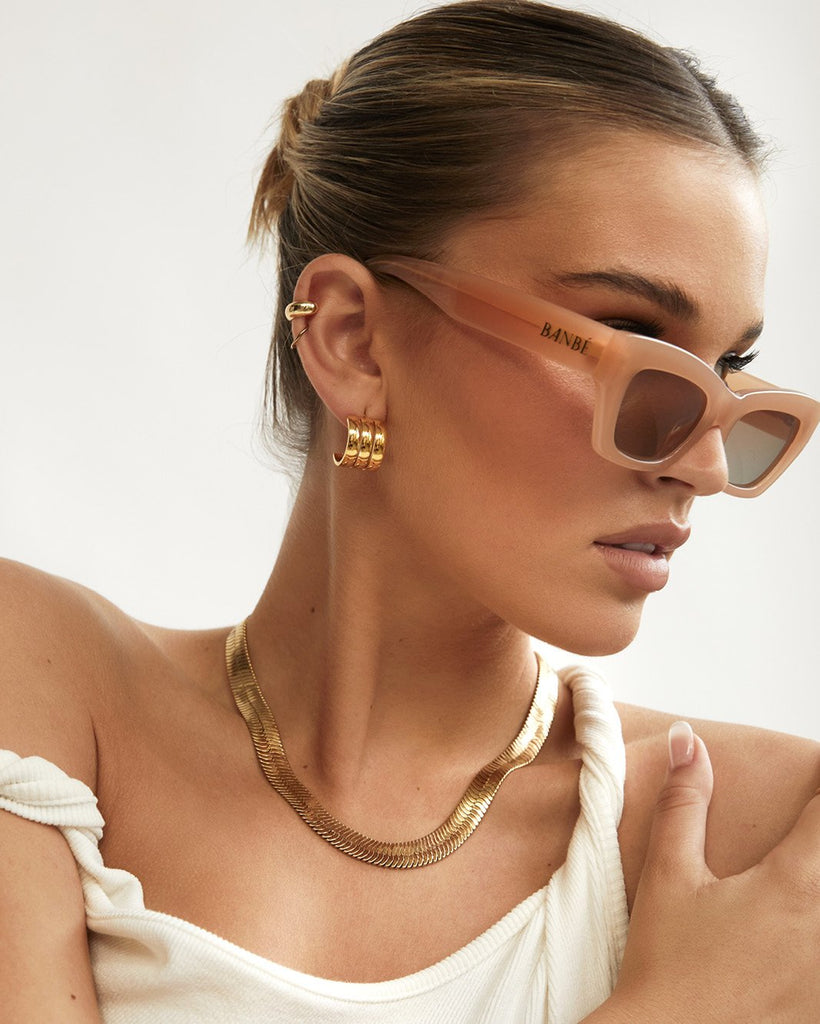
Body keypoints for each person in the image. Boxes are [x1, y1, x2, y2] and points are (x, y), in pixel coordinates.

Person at [1, 1, 818, 1021]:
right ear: (353, 340)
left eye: (727, 372)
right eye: (632, 337)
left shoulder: (767, 844)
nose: (703, 461)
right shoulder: (43, 683)